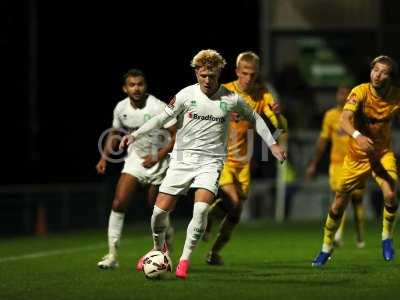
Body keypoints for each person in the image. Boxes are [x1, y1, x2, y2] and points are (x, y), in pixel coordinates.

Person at [119, 49, 287, 279]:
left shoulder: (230, 98)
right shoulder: (186, 95)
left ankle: (184, 260)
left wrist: (273, 145)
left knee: (200, 210)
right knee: (158, 213)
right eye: (203, 75)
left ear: (219, 74)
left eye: (212, 76)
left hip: (211, 162)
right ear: (196, 72)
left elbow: (256, 119)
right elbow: (161, 118)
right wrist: (135, 135)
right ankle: (159, 251)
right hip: (181, 161)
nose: (208, 80)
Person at [312, 55, 400, 266]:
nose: (377, 75)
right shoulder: (359, 92)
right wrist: (358, 136)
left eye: (383, 72)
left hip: (382, 154)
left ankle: (386, 237)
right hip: (355, 158)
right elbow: (344, 119)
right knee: (337, 205)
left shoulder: (396, 96)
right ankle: (326, 248)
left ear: (390, 77)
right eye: (375, 70)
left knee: (390, 194)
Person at [202, 51, 288, 265]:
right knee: (232, 200)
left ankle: (214, 251)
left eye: (253, 74)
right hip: (221, 158)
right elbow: (203, 113)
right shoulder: (224, 91)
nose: (249, 78)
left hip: (243, 163)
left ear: (258, 74)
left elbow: (280, 127)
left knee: (236, 212)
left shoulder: (262, 95)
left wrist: (277, 115)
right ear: (237, 72)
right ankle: (208, 219)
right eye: (245, 73)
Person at [96, 69, 177, 269]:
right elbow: (114, 134)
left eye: (140, 84)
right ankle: (112, 255)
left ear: (145, 85)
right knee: (118, 202)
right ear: (125, 88)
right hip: (134, 161)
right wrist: (104, 158)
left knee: (156, 209)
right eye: (132, 85)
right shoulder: (121, 108)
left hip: (159, 163)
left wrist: (158, 156)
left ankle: (165, 242)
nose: (136, 88)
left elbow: (177, 135)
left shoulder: (158, 107)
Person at [305, 84, 365, 248]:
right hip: (337, 164)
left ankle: (360, 234)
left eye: (347, 94)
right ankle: (338, 235)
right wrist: (313, 163)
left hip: (355, 163)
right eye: (341, 93)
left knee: (357, 201)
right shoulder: (330, 116)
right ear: (337, 95)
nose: (344, 96)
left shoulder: (358, 116)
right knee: (340, 195)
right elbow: (323, 141)